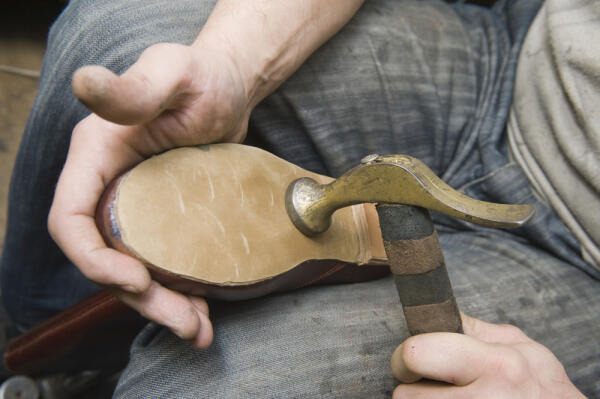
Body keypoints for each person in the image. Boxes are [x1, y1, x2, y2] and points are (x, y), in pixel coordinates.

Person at [1, 0, 599, 397]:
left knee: (212, 384)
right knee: (113, 33)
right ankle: (39, 333)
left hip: (585, 273)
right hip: (518, 65)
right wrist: (233, 63)